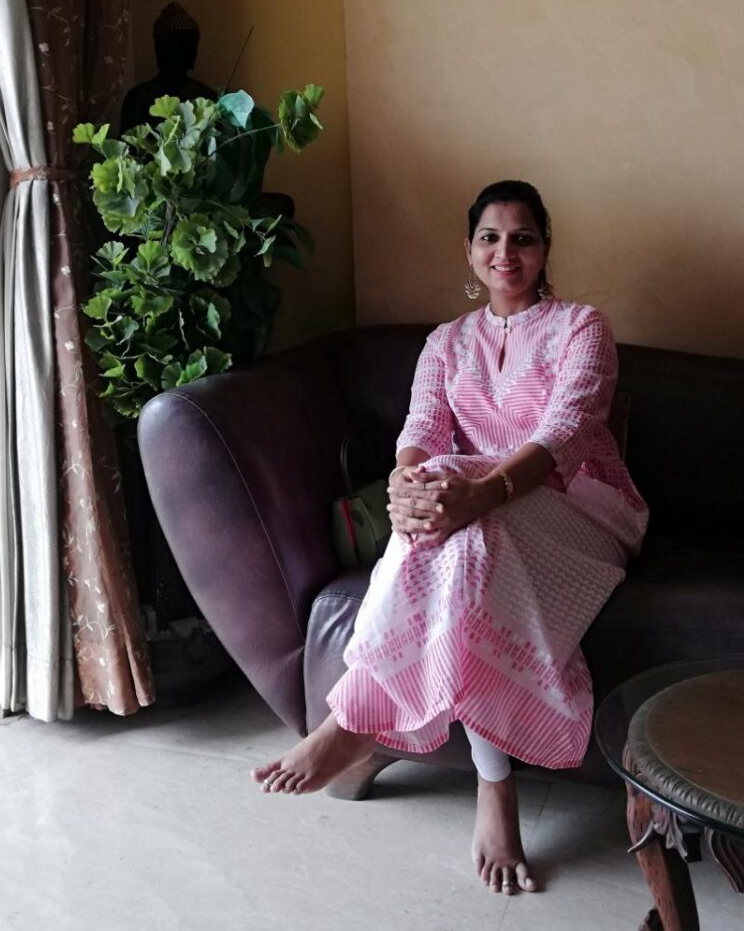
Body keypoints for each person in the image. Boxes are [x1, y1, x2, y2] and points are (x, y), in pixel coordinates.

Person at [252, 179, 648, 897]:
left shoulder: (581, 327)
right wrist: (407, 486)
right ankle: (477, 776)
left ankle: (360, 719)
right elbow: (423, 430)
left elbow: (565, 432)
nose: (505, 252)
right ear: (469, 250)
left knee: (466, 521)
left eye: (523, 238)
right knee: (457, 529)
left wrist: (478, 492)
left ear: (545, 248)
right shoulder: (446, 342)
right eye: (490, 238)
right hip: (476, 517)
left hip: (583, 507)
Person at [119, 2, 216, 135]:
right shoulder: (138, 98)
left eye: (193, 44)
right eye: (182, 44)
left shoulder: (205, 96)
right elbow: (128, 144)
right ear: (162, 48)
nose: (190, 51)